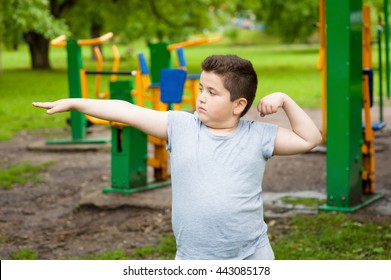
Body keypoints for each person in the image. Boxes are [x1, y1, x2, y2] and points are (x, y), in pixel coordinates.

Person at [32, 54, 322, 260]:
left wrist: (285, 99)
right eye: (201, 89)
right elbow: (126, 110)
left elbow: (310, 138)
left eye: (212, 92)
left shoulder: (257, 136)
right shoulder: (181, 127)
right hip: (193, 259)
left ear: (239, 105)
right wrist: (73, 103)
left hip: (252, 256)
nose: (202, 98)